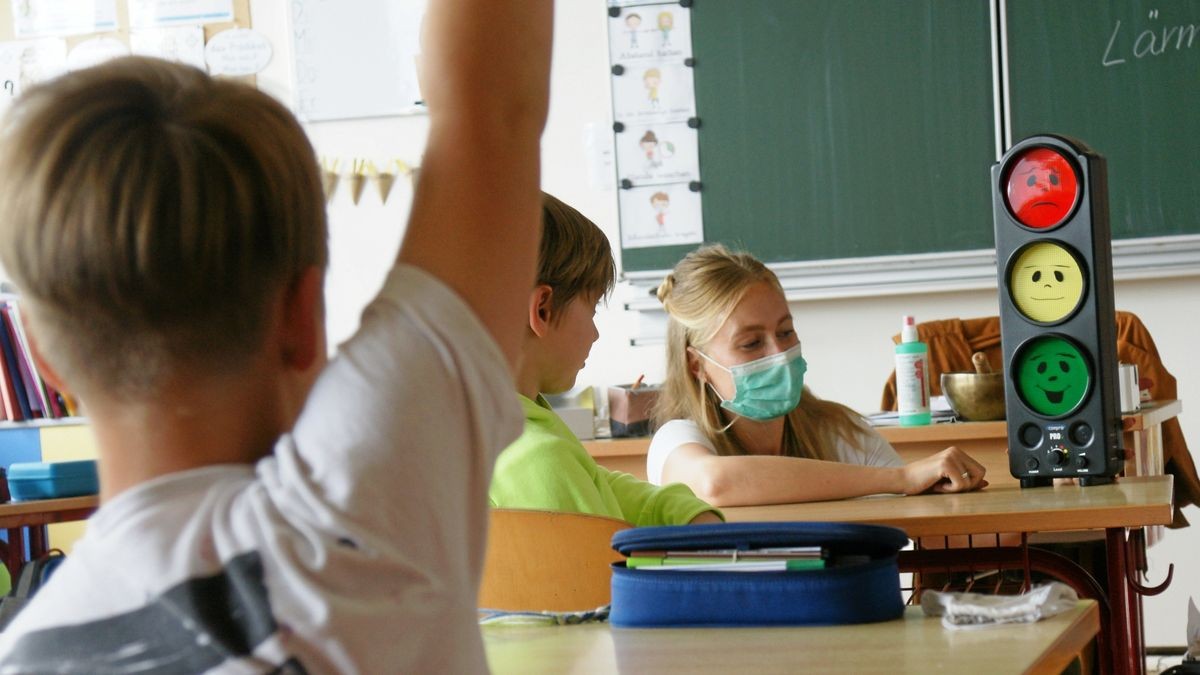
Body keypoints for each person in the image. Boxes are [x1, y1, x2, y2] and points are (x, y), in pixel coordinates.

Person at [0, 0, 551, 670]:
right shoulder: (354, 516)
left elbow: (493, 108)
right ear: (303, 315)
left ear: (44, 352)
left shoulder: (25, 653)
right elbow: (491, 102)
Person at [647, 244, 988, 507]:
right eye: (751, 343)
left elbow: (915, 515)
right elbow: (715, 484)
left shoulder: (839, 431)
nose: (779, 354)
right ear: (697, 365)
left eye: (785, 332)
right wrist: (899, 478)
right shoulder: (677, 441)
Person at [489, 193, 721, 526]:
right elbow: (599, 572)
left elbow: (599, 482)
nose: (595, 333)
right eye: (592, 307)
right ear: (542, 309)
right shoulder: (539, 457)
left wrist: (683, 512)